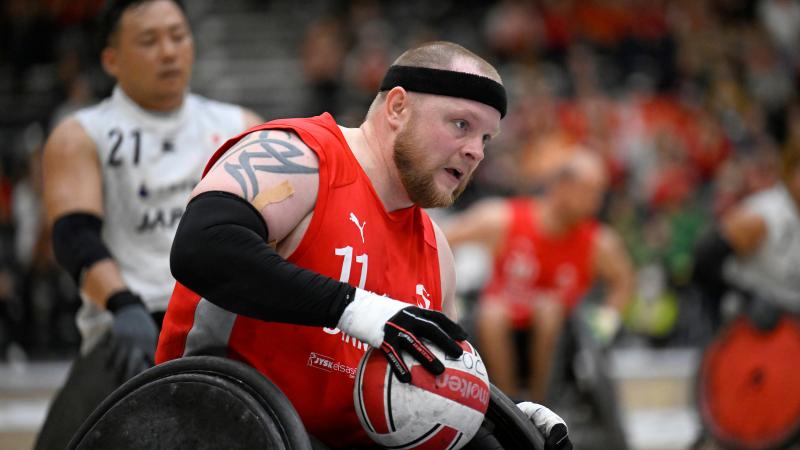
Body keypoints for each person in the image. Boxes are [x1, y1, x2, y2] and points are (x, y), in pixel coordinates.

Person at [156, 41, 570, 449]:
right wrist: (356, 307)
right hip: (216, 423)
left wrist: (503, 413)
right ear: (397, 107)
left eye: (486, 138)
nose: (475, 151)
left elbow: (430, 379)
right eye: (461, 124)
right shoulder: (300, 154)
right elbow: (201, 247)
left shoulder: (436, 250)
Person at [36, 1, 262, 448]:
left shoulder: (241, 125)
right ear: (111, 59)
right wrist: (122, 305)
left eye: (178, 36)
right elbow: (74, 236)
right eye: (148, 40)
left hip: (224, 324)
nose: (168, 51)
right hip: (130, 322)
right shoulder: (80, 132)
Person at [444, 149, 634, 402]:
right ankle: (509, 404)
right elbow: (440, 238)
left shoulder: (599, 243)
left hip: (561, 340)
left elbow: (624, 281)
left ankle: (540, 404)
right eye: (590, 192)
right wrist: (448, 297)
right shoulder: (503, 219)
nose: (597, 202)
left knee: (548, 309)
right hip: (497, 328)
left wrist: (606, 319)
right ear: (562, 186)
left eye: (600, 193)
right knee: (492, 313)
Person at [693, 143, 800, 330]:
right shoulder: (764, 216)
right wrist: (747, 297)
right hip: (754, 325)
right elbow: (704, 261)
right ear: (791, 172)